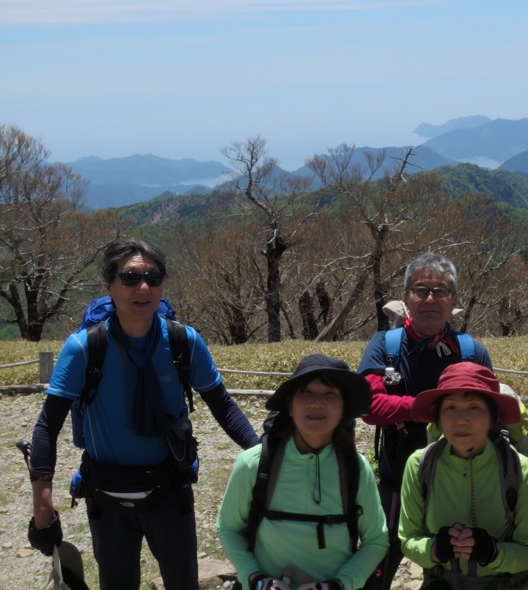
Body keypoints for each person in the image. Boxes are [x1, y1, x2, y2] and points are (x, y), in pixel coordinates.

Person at [26, 238, 260, 590]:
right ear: (109, 286)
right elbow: (47, 426)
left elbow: (223, 407)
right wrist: (42, 507)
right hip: (107, 492)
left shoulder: (184, 342)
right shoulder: (85, 348)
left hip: (170, 487)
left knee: (183, 583)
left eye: (154, 276)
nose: (144, 287)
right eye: (130, 278)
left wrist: (265, 457)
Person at [358, 252, 493, 589]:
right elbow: (368, 406)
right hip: (397, 473)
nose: (431, 298)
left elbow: (489, 415)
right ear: (406, 297)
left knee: (456, 570)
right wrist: (429, 409)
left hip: (462, 481)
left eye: (441, 291)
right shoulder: (385, 346)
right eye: (421, 289)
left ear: (454, 300)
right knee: (380, 560)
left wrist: (405, 407)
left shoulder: (471, 351)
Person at [217, 354, 388, 590]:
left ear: (344, 409)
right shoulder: (253, 464)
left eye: (330, 394)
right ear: (289, 406)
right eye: (305, 392)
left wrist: (339, 585)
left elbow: (376, 540)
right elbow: (227, 528)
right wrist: (256, 580)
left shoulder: (356, 469)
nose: (316, 403)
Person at [399, 362, 528, 589]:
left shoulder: (521, 471)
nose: (461, 419)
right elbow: (408, 538)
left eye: (474, 407)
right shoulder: (419, 465)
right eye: (451, 407)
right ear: (437, 416)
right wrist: (435, 550)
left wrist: (494, 553)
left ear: (493, 417)